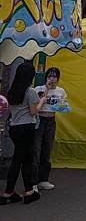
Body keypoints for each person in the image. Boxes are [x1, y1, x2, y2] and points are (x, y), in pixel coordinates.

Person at [1, 62, 46, 205]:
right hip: (27, 128)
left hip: (14, 127)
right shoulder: (31, 92)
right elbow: (33, 111)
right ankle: (8, 192)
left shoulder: (12, 91)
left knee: (25, 159)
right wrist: (42, 101)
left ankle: (29, 191)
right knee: (19, 160)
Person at [33, 67, 67, 191]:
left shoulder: (61, 91)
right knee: (36, 150)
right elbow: (36, 105)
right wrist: (47, 89)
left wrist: (63, 106)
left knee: (47, 150)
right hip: (39, 120)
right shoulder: (38, 89)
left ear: (58, 78)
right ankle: (33, 182)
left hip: (51, 121)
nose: (51, 79)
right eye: (49, 76)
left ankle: (43, 179)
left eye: (54, 77)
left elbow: (62, 107)